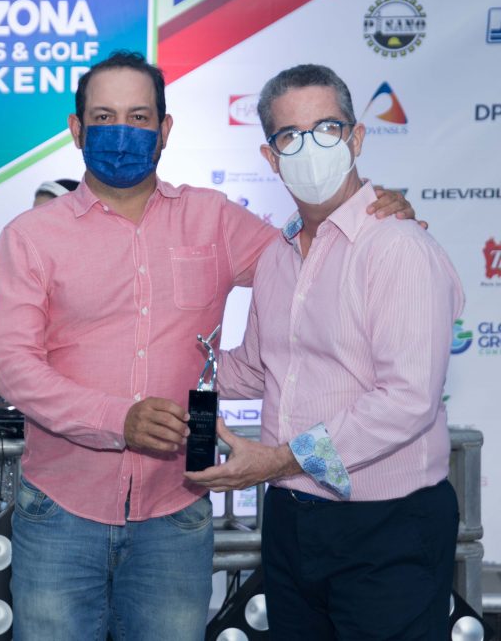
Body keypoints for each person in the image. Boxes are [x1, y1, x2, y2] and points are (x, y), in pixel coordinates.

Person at [0, 51, 417, 641]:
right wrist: (117, 419)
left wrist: (373, 217)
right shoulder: (31, 236)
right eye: (104, 117)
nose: (122, 131)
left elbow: (311, 259)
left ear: (165, 130)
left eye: (139, 117)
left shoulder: (212, 218)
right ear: (76, 128)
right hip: (60, 511)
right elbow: (14, 366)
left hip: (176, 513)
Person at [186, 64, 462, 639]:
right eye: (290, 135)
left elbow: (407, 400)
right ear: (271, 157)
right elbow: (253, 367)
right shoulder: (277, 257)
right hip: (291, 522)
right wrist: (148, 378)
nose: (310, 147)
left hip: (388, 526)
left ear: (356, 138)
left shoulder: (397, 247)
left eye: (327, 129)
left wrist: (280, 460)